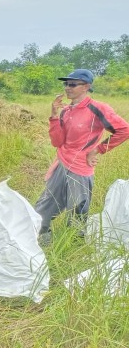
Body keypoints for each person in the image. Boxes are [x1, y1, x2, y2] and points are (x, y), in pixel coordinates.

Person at [34, 69, 129, 245]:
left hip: (81, 167)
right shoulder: (66, 110)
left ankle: (74, 247)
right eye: (66, 84)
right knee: (45, 204)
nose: (67, 87)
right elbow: (57, 142)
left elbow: (124, 130)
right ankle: (42, 239)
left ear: (86, 86)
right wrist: (54, 116)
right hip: (62, 162)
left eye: (72, 84)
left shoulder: (97, 108)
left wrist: (98, 150)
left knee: (77, 208)